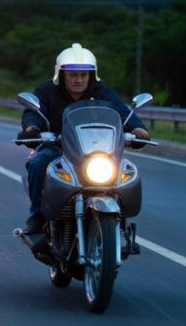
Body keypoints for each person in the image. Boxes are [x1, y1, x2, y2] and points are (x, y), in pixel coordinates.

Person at [19, 43, 151, 234]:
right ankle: (37, 215)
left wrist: (138, 128)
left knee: (124, 171)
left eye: (83, 74)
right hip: (58, 146)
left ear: (91, 75)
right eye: (73, 75)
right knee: (39, 163)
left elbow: (121, 110)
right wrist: (31, 128)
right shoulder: (47, 90)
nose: (78, 80)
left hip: (94, 148)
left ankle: (118, 218)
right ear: (61, 74)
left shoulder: (100, 90)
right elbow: (33, 111)